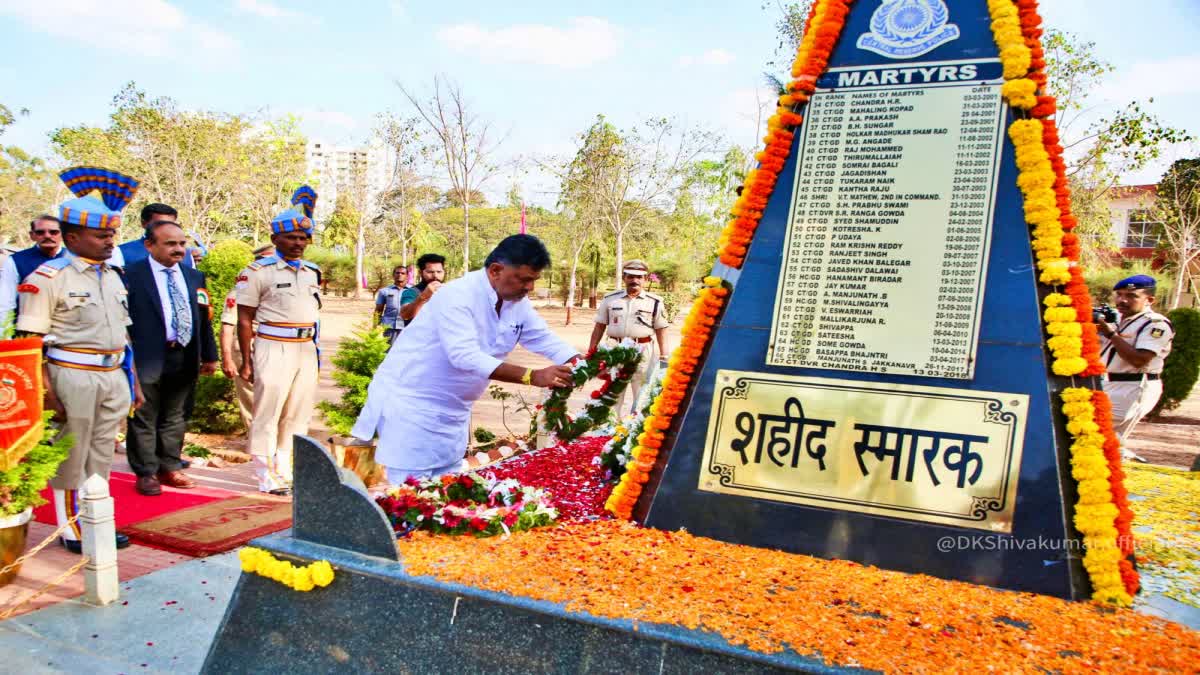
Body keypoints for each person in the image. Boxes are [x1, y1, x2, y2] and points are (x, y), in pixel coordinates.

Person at [352, 235, 577, 484]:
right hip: (413, 408)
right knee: (408, 495)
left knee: (444, 491)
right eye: (524, 279)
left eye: (533, 281)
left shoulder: (516, 302)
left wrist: (589, 363)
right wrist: (532, 376)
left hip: (454, 413)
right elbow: (464, 356)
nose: (529, 288)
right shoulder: (458, 295)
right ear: (495, 271)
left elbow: (544, 338)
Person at [17, 166, 145, 553]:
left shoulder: (112, 275)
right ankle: (72, 527)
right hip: (70, 374)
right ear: (72, 237)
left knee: (102, 451)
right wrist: (44, 392)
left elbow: (123, 333)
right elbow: (29, 340)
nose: (110, 241)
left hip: (111, 374)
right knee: (73, 451)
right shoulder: (48, 278)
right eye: (101, 234)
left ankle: (96, 518)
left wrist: (133, 379)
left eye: (112, 234)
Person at [124, 220, 219, 495]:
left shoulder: (193, 276)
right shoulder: (131, 275)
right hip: (146, 357)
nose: (178, 250)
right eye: (170, 244)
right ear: (149, 245)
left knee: (176, 415)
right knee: (143, 415)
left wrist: (209, 356)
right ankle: (146, 471)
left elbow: (203, 318)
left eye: (181, 243)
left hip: (184, 354)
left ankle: (170, 466)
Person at [237, 186, 321, 494]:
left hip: (305, 347)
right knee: (268, 410)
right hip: (274, 344)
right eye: (291, 238)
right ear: (275, 240)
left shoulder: (313, 272)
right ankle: (265, 472)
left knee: (298, 411)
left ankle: (286, 467)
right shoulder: (258, 271)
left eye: (302, 238)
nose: (298, 243)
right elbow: (244, 318)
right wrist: (246, 360)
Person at [1097, 274, 1175, 463]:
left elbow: (1139, 360)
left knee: (1093, 431)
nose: (1122, 300)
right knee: (1105, 441)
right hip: (1109, 383)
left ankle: (1119, 462)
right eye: (1120, 294)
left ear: (1149, 300)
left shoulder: (1155, 324)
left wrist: (1111, 334)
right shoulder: (1120, 320)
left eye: (1132, 296)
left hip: (1133, 386)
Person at [588, 260, 669, 414]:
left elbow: (661, 329)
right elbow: (599, 326)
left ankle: (635, 433)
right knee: (613, 392)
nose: (635, 280)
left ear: (645, 279)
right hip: (614, 349)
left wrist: (664, 355)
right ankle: (610, 428)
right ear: (624, 277)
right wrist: (592, 352)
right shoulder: (610, 299)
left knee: (642, 393)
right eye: (631, 276)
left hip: (642, 350)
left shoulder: (655, 302)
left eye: (639, 277)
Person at [221, 244, 274, 431]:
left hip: (273, 347)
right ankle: (254, 440)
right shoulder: (240, 291)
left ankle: (272, 442)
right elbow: (228, 326)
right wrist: (227, 358)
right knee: (250, 397)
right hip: (247, 347)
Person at [0, 215, 66, 322]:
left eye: (53, 232)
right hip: (29, 330)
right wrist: (5, 334)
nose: (47, 236)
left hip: (68, 329)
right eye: (40, 232)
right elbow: (6, 302)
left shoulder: (76, 259)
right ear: (32, 235)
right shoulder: (16, 261)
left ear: (63, 234)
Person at [116, 203, 181, 270]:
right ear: (144, 223)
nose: (166, 229)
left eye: (170, 224)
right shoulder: (121, 252)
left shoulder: (187, 255)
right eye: (159, 224)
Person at [398, 253, 446, 326]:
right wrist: (423, 297)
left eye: (439, 272)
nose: (435, 276)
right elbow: (405, 315)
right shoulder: (411, 292)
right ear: (421, 273)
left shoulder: (449, 291)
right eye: (430, 272)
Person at [374, 265, 409, 346]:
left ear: (407, 276)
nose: (400, 275)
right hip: (389, 326)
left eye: (403, 273)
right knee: (388, 351)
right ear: (393, 275)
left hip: (407, 326)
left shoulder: (413, 291)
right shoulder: (384, 291)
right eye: (397, 273)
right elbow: (378, 310)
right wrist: (375, 326)